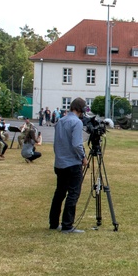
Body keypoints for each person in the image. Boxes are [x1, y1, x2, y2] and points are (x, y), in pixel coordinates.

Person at [50, 97, 87, 233]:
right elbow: (77, 144)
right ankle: (67, 225)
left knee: (59, 193)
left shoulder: (61, 121)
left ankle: (53, 222)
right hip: (72, 163)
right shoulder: (76, 122)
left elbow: (56, 143)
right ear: (80, 109)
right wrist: (83, 157)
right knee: (73, 193)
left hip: (60, 163)